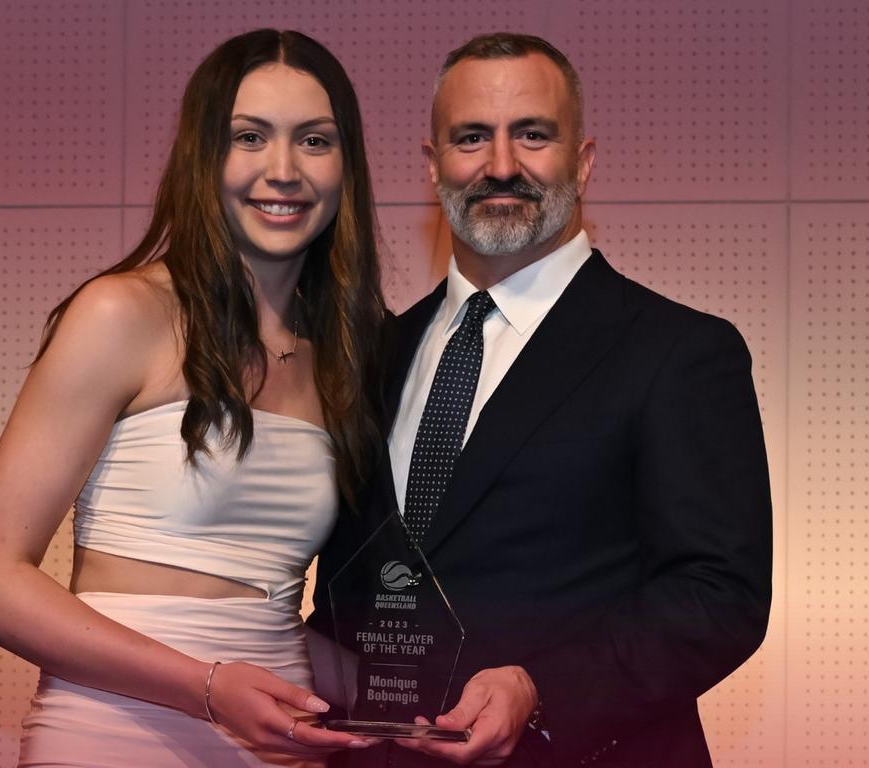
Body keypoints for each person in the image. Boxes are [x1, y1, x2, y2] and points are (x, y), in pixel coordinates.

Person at [311, 33, 772, 768]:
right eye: (471, 138)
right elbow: (354, 589)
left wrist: (541, 689)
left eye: (532, 135)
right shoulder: (369, 355)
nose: (500, 165)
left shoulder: (679, 351)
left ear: (582, 160)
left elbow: (719, 597)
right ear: (432, 167)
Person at [0, 29, 386, 768]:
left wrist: (423, 693)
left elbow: (260, 613)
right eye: (250, 137)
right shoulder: (122, 314)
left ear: (346, 167)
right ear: (203, 157)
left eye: (314, 141)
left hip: (279, 743)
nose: (283, 170)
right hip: (115, 736)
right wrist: (208, 688)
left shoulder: (346, 356)